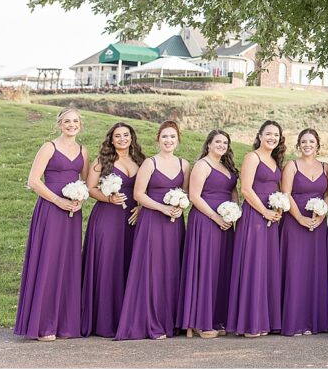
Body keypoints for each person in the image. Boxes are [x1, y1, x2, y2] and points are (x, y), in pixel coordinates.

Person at [14, 107, 90, 340]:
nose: (71, 125)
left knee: (68, 263)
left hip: (72, 214)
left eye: (75, 121)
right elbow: (33, 181)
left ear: (80, 124)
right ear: (59, 124)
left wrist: (79, 199)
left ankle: (64, 324)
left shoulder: (83, 151)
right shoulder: (49, 147)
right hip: (50, 210)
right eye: (67, 121)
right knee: (48, 261)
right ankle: (43, 325)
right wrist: (58, 200)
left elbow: (85, 181)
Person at [115, 121, 189, 340]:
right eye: (165, 136)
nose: (168, 141)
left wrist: (178, 206)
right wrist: (162, 208)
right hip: (152, 222)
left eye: (172, 137)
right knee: (152, 269)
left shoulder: (184, 164)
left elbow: (184, 192)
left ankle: (170, 321)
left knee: (171, 269)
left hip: (174, 224)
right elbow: (138, 194)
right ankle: (150, 321)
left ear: (178, 140)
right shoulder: (150, 163)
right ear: (158, 138)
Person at [81, 122, 143, 337]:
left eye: (126, 135)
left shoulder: (141, 161)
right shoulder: (102, 161)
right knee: (109, 264)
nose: (122, 139)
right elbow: (90, 189)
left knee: (129, 264)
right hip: (107, 218)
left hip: (133, 219)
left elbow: (147, 189)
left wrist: (142, 207)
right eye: (118, 136)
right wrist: (109, 198)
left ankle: (127, 318)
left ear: (132, 137)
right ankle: (104, 321)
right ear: (111, 139)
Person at [177, 129, 238, 338]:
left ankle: (216, 318)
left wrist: (233, 213)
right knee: (206, 269)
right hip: (205, 220)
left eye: (225, 142)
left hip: (225, 222)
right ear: (209, 144)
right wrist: (215, 217)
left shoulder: (227, 166)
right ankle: (200, 322)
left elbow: (233, 192)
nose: (222, 145)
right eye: (218, 142)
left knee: (221, 269)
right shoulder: (203, 165)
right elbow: (194, 196)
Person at [226, 120, 285, 337]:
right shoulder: (253, 157)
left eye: (276, 135)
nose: (272, 138)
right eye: (268, 134)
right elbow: (247, 190)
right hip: (254, 216)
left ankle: (264, 320)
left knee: (267, 266)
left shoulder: (274, 159)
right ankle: (250, 322)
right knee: (254, 265)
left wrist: (278, 208)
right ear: (259, 135)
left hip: (271, 216)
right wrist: (264, 212)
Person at [280, 128, 328, 336]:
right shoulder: (291, 166)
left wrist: (321, 215)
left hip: (318, 224)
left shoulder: (326, 167)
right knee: (295, 269)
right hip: (294, 222)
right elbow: (286, 193)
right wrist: (299, 217)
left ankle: (314, 321)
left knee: (314, 269)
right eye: (303, 141)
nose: (307, 145)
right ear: (299, 145)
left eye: (311, 141)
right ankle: (294, 321)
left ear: (318, 144)